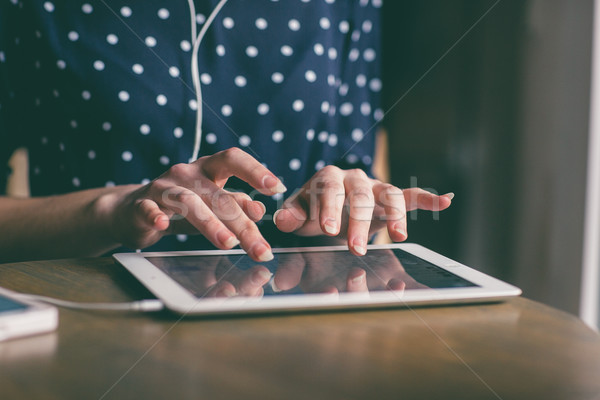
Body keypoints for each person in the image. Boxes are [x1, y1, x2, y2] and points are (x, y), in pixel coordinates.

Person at [0, 0, 452, 263]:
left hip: (295, 334)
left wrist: (344, 212)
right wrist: (112, 211)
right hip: (90, 322)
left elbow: (359, 169)